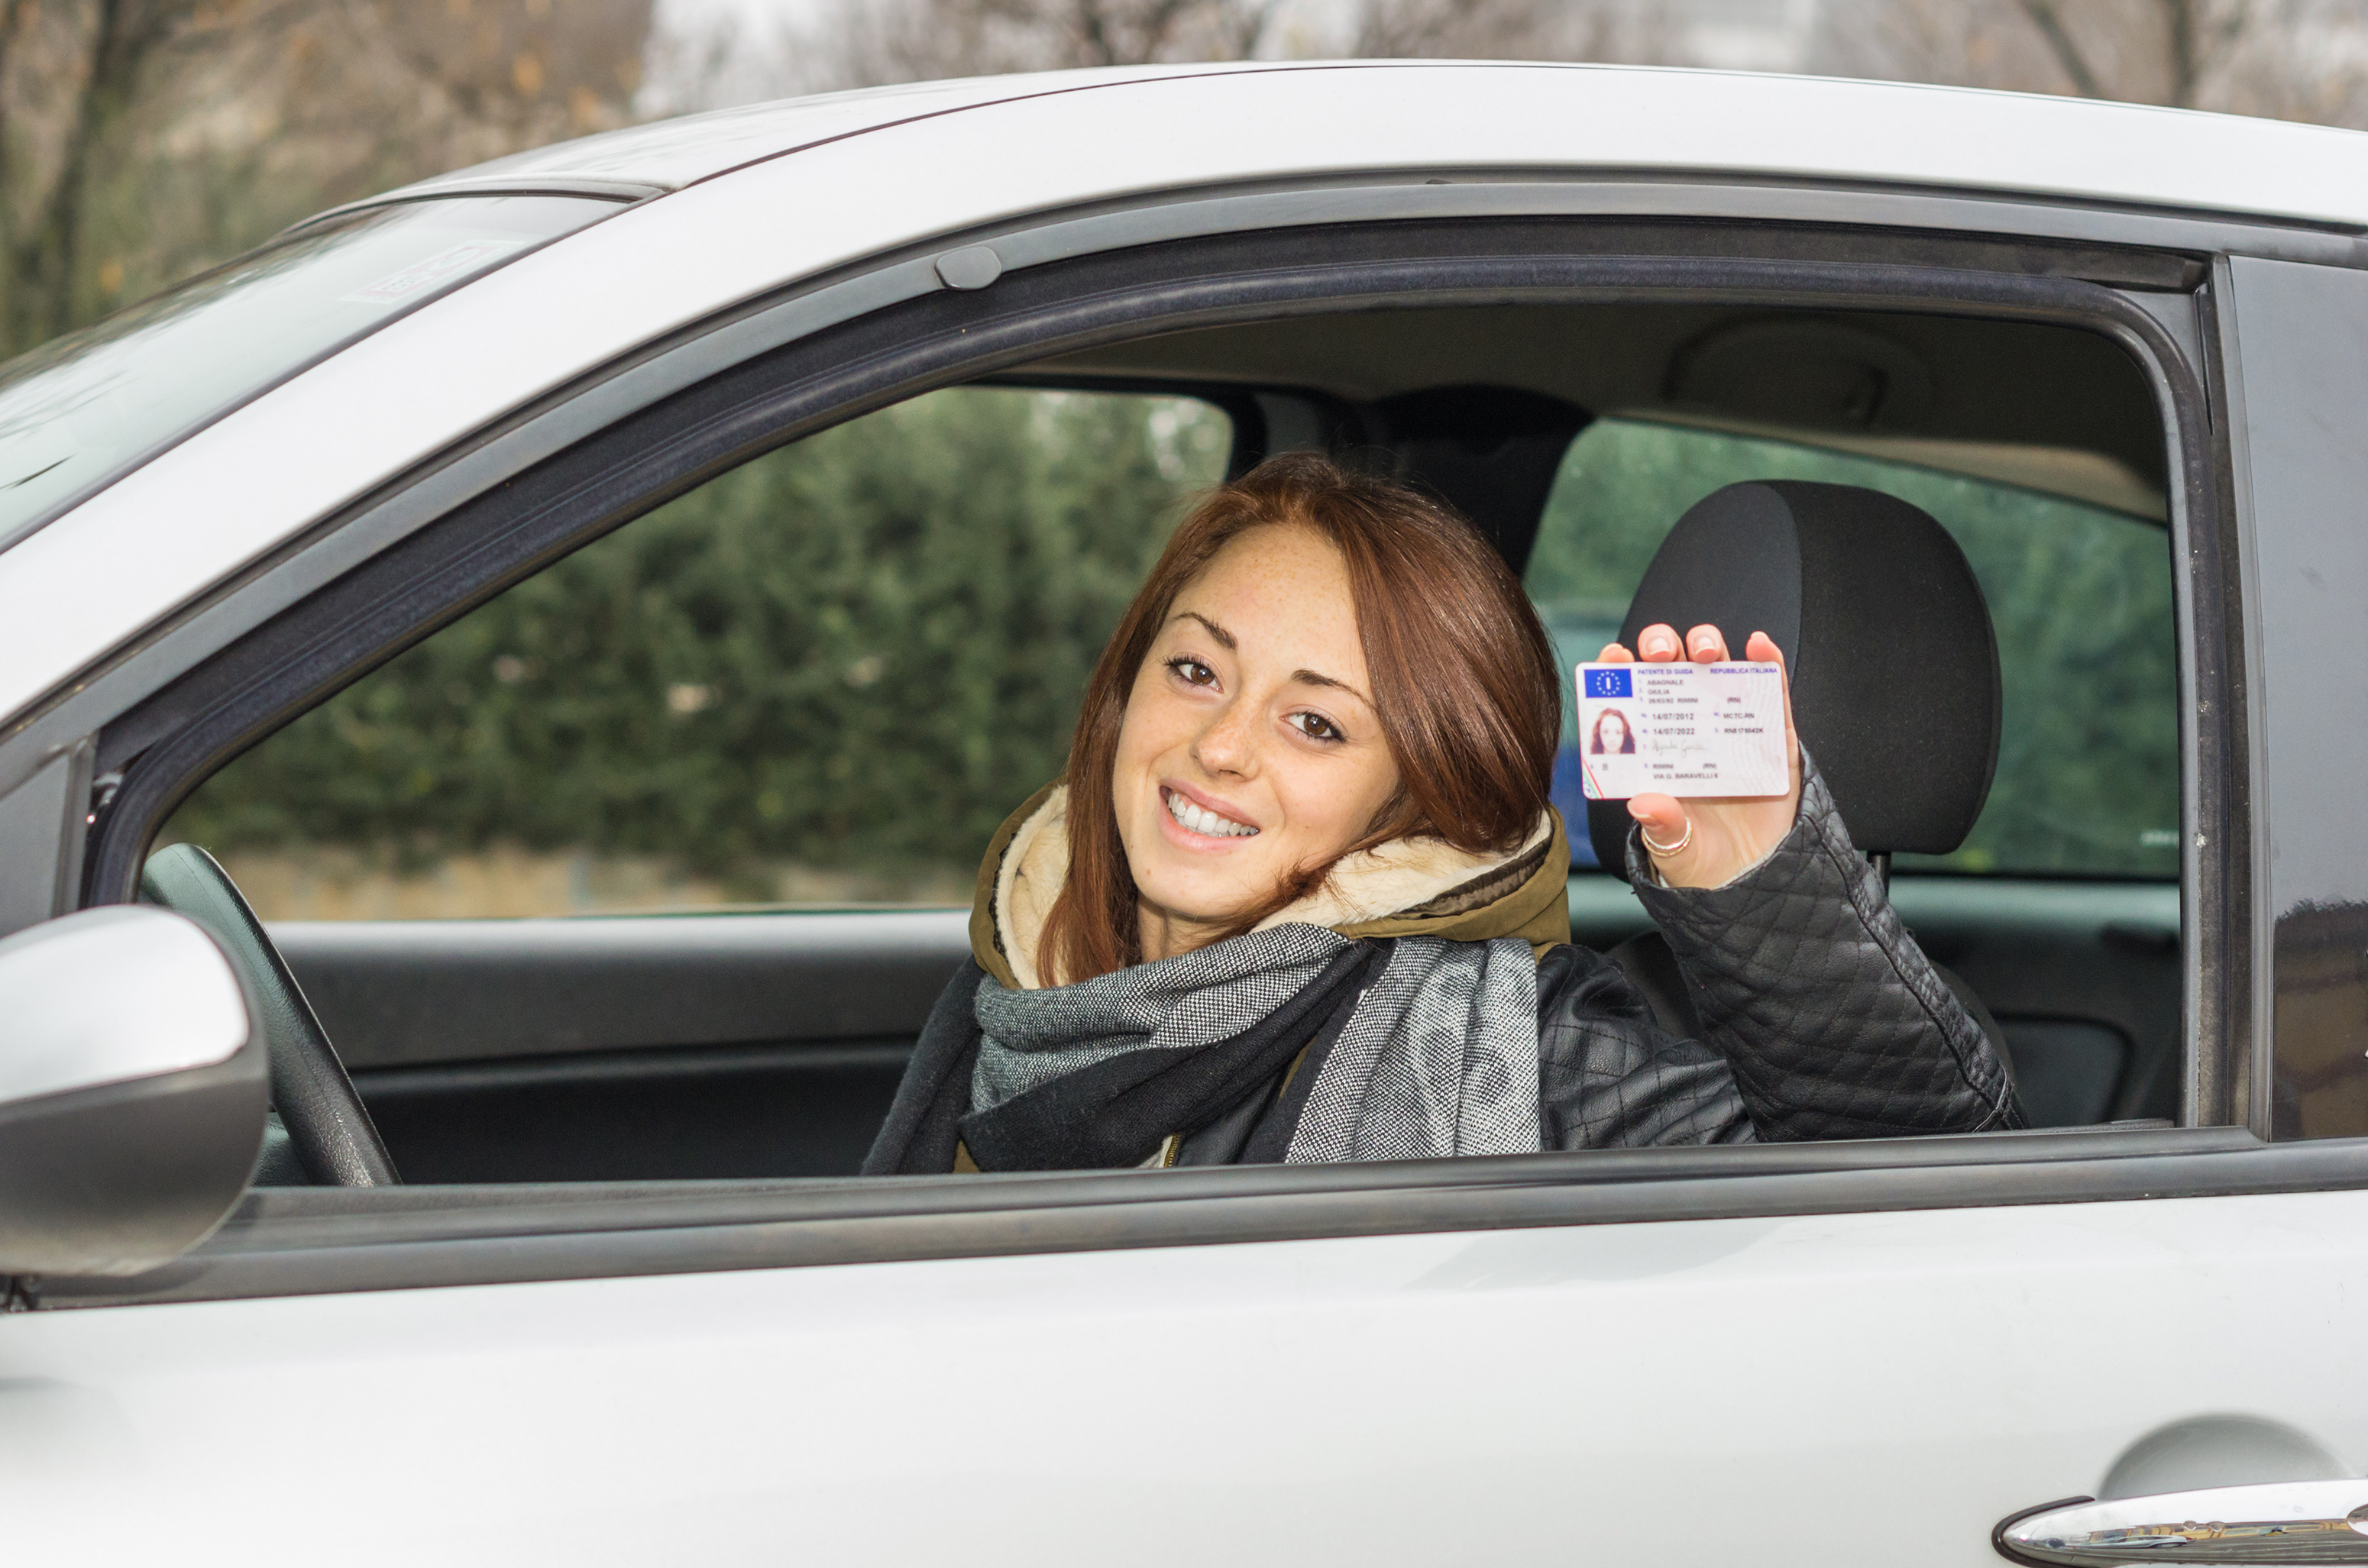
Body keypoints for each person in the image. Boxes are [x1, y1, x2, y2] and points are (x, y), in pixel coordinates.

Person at [865, 454, 2020, 1173]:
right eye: (1197, 671)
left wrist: (1766, 893)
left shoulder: (1507, 1051)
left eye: (1317, 724)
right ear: (1124, 687)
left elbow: (1934, 1192)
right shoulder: (1020, 964)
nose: (1218, 746)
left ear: (1408, 800)